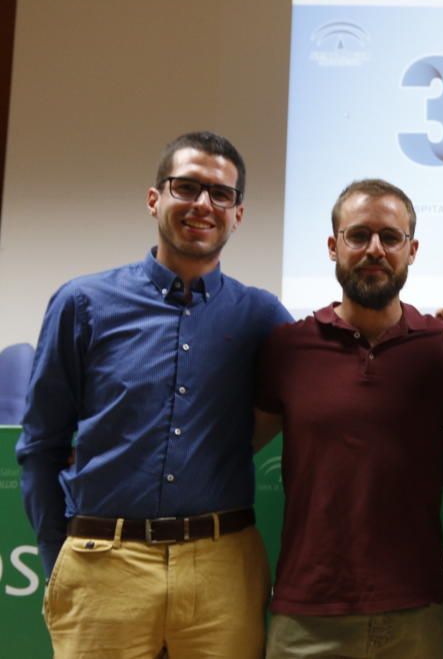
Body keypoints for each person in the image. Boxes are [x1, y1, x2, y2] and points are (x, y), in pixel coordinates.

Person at [16, 131, 292, 657]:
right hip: (102, 566)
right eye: (186, 187)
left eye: (220, 194)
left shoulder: (262, 316)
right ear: (154, 199)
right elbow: (40, 445)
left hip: (222, 570)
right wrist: (59, 559)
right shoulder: (83, 303)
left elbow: (332, 360)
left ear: (238, 213)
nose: (203, 205)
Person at [254, 179, 443, 659]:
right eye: (358, 236)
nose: (375, 249)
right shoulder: (287, 348)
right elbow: (236, 446)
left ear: (412, 250)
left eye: (390, 238)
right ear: (334, 246)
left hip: (415, 609)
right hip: (306, 614)